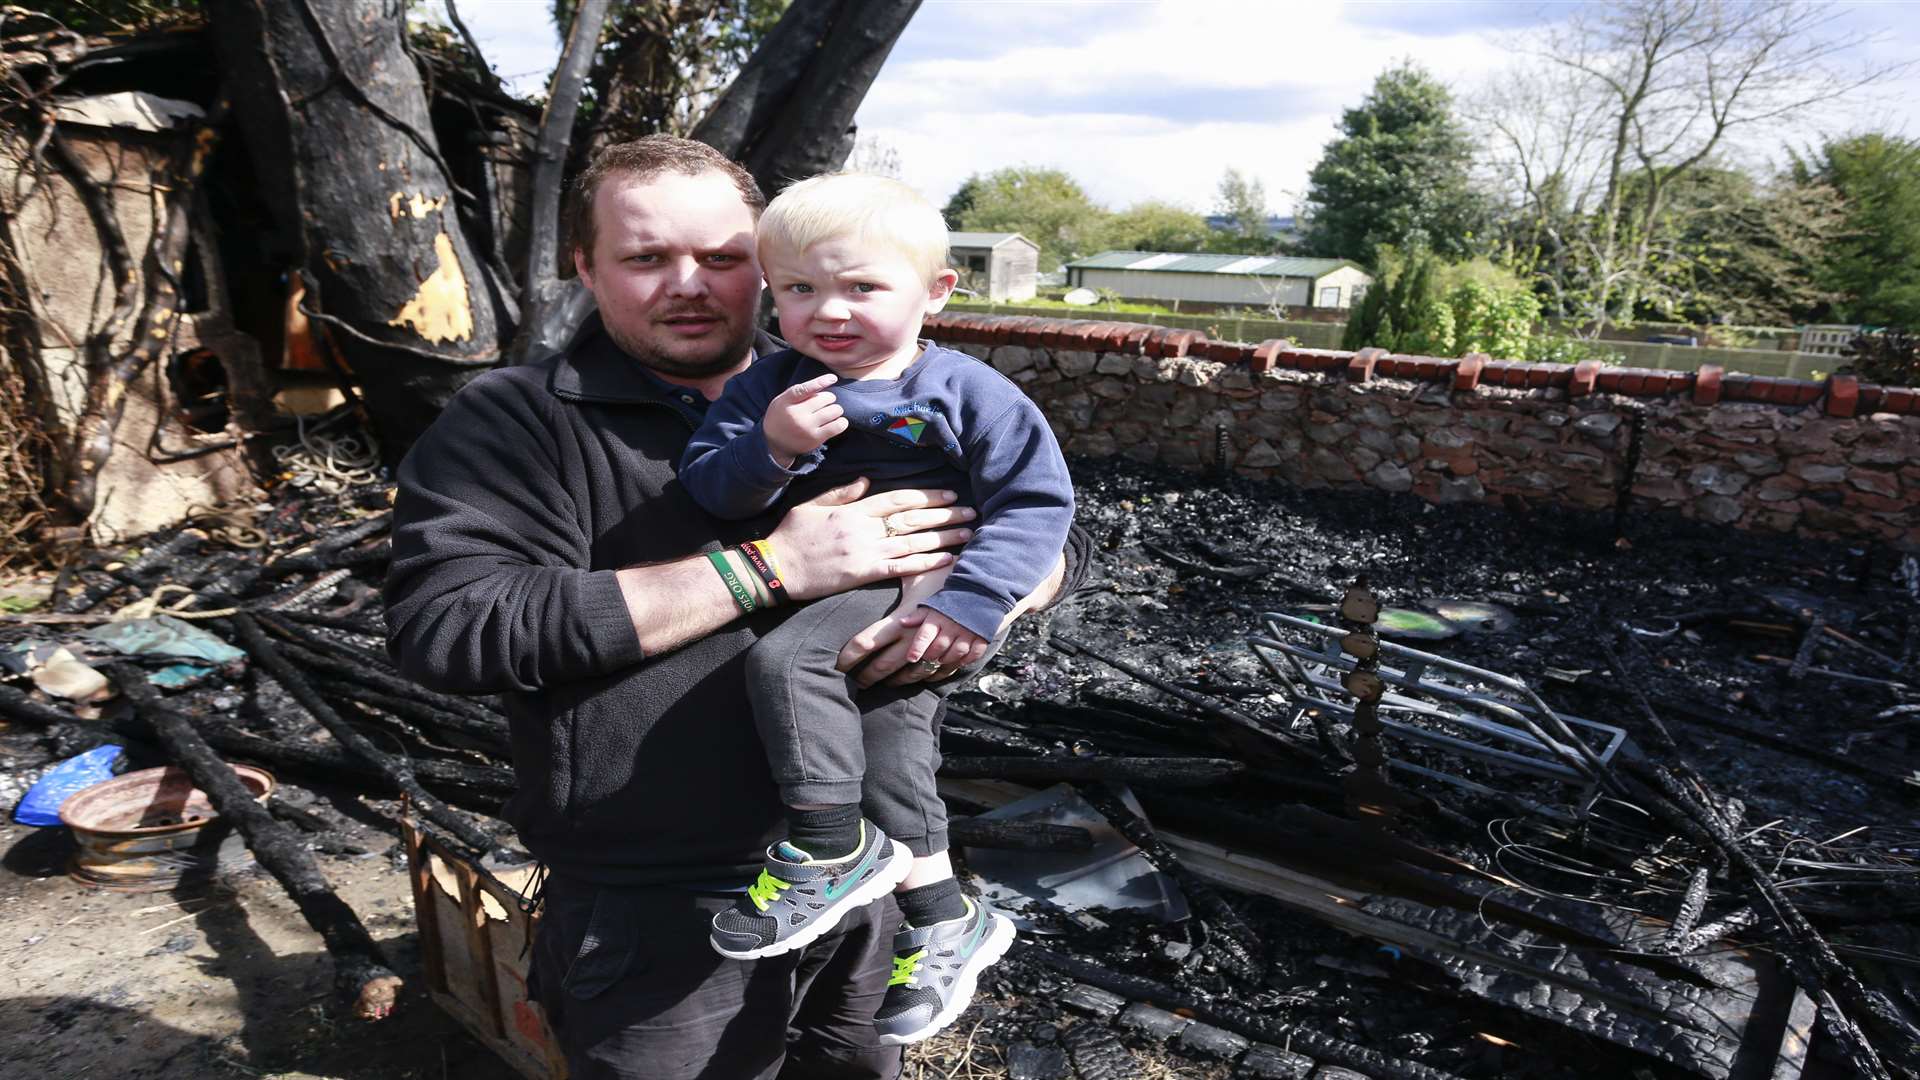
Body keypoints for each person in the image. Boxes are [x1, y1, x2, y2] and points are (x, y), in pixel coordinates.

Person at [384, 135, 1087, 1080]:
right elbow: (451, 627)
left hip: (865, 880)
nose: (691, 286)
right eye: (646, 258)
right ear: (585, 266)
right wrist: (771, 566)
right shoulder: (515, 421)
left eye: (722, 258)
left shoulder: (856, 375)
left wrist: (981, 598)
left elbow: (1050, 521)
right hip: (661, 911)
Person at [677, 174, 1072, 1046]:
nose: (829, 311)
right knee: (893, 753)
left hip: (929, 592)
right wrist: (772, 449)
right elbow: (710, 490)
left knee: (785, 662)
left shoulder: (967, 392)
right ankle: (943, 916)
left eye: (862, 286)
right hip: (832, 578)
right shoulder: (769, 391)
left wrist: (975, 601)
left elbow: (1038, 505)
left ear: (936, 292)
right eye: (800, 289)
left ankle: (826, 844)